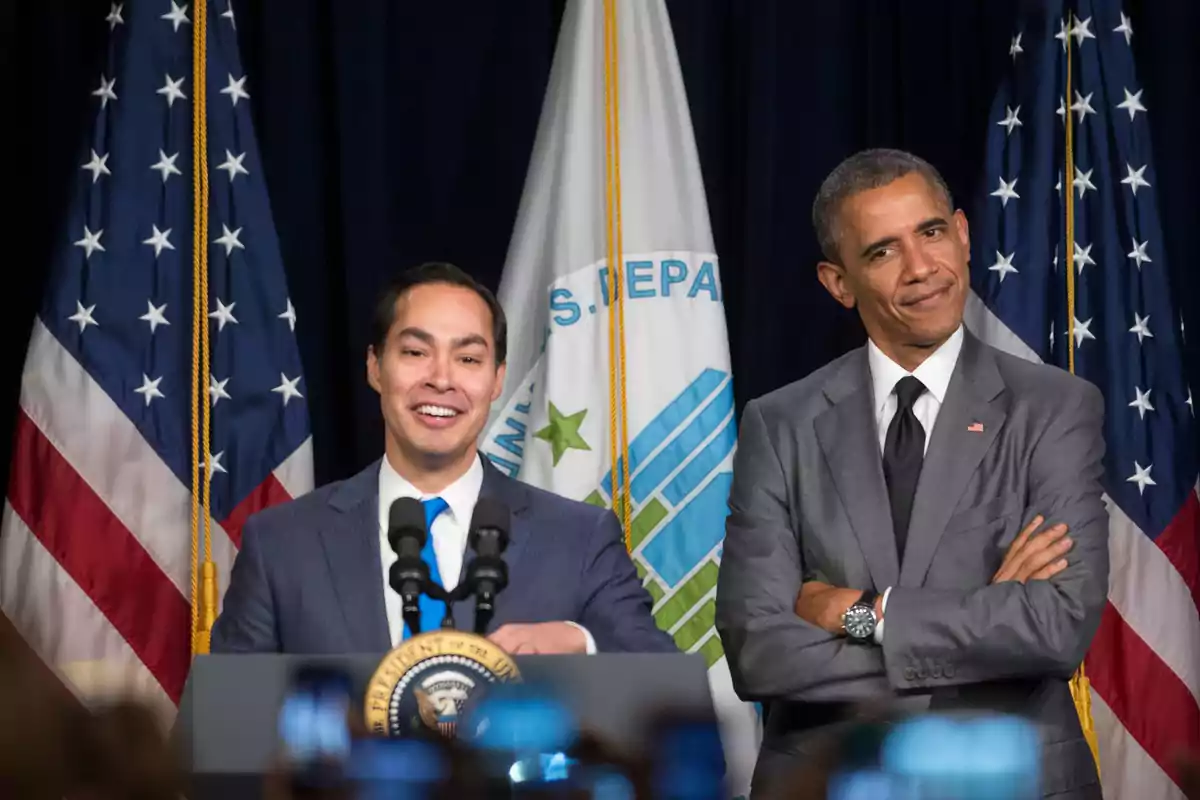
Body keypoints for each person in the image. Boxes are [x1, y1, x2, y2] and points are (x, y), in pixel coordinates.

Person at [715, 149, 1108, 798]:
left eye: (930, 233)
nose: (922, 268)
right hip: (830, 777)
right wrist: (984, 625)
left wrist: (859, 613)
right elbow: (760, 651)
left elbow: (1055, 627)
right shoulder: (779, 422)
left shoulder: (1056, 408)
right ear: (838, 282)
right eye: (881, 252)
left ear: (962, 232)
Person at [212, 262, 676, 656]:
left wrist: (578, 639)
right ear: (375, 367)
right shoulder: (280, 544)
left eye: (469, 360)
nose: (441, 379)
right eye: (415, 352)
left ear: (497, 380)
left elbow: (665, 688)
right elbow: (227, 726)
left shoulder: (580, 538)